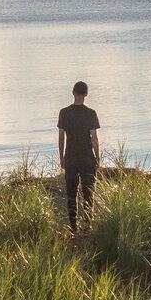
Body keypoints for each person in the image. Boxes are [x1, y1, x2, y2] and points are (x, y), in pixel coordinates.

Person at [56, 80, 102, 229]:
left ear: (73, 92)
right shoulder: (91, 113)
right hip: (87, 158)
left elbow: (61, 137)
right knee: (89, 194)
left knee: (71, 193)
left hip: (70, 157)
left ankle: (73, 226)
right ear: (86, 94)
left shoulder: (64, 113)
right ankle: (88, 225)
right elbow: (94, 138)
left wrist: (61, 157)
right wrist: (98, 158)